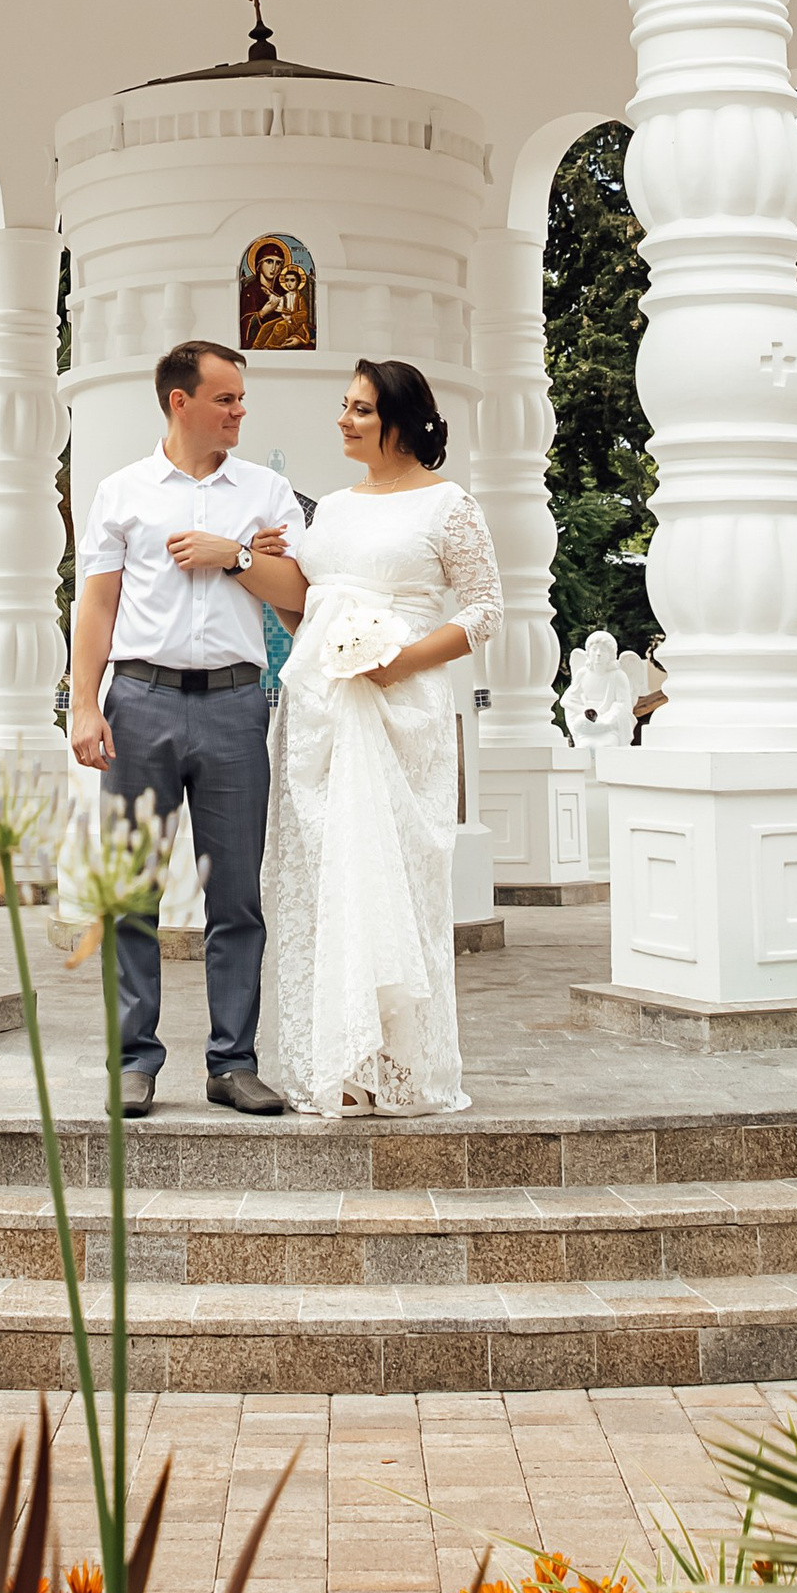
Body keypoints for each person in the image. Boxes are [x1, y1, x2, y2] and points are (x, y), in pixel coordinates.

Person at [70, 339, 309, 1118]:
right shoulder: (122, 493)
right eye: (227, 398)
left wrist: (232, 554)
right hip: (139, 701)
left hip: (238, 706)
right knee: (132, 887)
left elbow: (295, 598)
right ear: (181, 402)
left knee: (236, 896)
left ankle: (232, 1063)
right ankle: (132, 1061)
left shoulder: (268, 492)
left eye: (241, 399)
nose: (240, 411)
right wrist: (82, 703)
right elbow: (97, 606)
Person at [259, 358, 502, 1116]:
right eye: (344, 406)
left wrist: (401, 661)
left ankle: (401, 1066)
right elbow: (304, 613)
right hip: (322, 719)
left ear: (400, 419)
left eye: (360, 409)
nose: (344, 420)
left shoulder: (449, 506)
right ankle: (331, 1064)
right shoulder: (327, 509)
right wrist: (258, 568)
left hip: (403, 716)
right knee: (320, 884)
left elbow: (486, 610)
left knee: (394, 882)